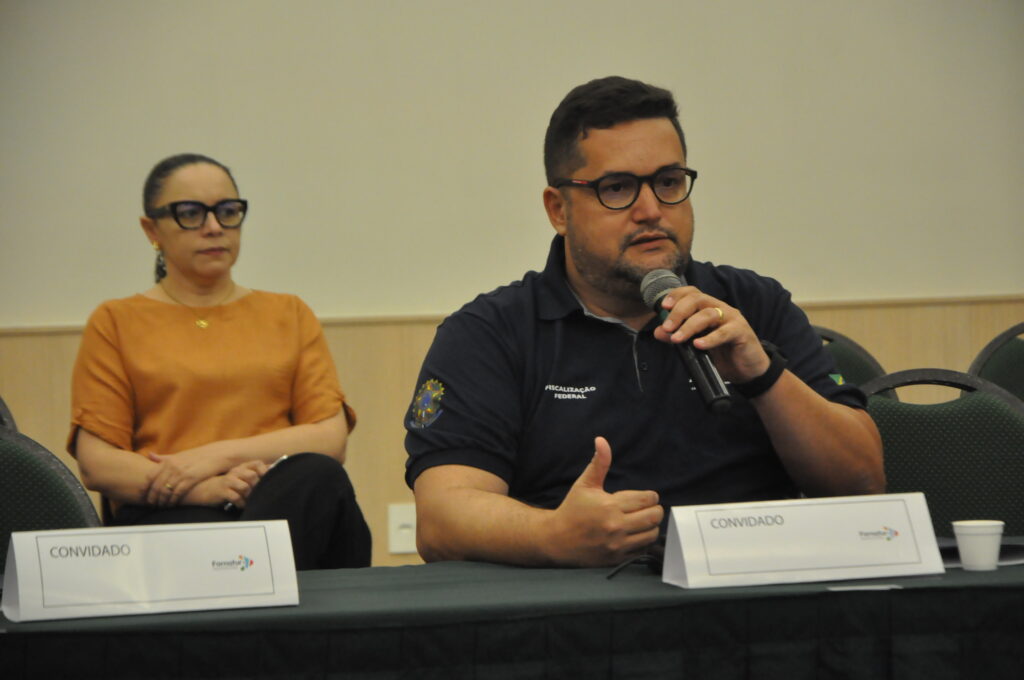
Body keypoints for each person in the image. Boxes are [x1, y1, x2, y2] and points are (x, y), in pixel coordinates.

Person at [405, 76, 885, 568]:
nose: (652, 210)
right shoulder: (490, 333)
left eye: (669, 182)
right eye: (617, 188)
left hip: (751, 596)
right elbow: (443, 519)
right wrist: (554, 534)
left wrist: (763, 376)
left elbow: (863, 482)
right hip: (579, 606)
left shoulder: (754, 305)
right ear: (558, 210)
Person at [69, 153, 371, 569]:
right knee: (257, 524)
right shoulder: (116, 321)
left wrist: (215, 456)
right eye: (190, 213)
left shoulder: (289, 313)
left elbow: (329, 438)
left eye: (228, 212)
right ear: (151, 229)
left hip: (282, 508)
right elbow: (98, 464)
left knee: (317, 478)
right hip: (174, 516)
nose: (214, 227)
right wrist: (207, 488)